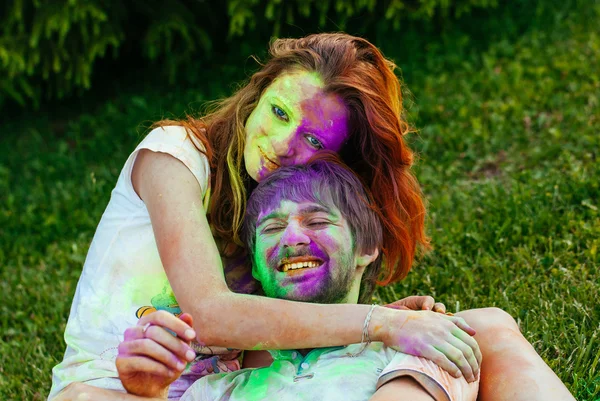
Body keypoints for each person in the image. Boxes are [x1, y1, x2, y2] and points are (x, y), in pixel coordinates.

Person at [49, 33, 575, 401]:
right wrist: (385, 323)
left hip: (245, 378)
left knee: (484, 328)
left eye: (312, 139)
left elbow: (278, 313)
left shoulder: (276, 199)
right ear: (256, 96)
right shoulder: (175, 156)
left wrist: (400, 322)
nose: (281, 145)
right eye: (279, 113)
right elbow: (212, 314)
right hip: (127, 388)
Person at [117, 158, 481, 401]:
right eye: (273, 228)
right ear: (256, 267)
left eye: (318, 221)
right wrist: (147, 395)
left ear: (367, 248)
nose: (292, 238)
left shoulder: (416, 348)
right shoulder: (214, 390)